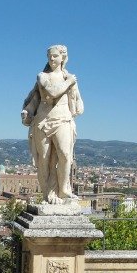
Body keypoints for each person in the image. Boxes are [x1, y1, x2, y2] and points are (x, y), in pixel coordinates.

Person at [21, 45, 83, 204]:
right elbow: (51, 93)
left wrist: (74, 89)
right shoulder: (43, 76)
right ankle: (49, 194)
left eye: (55, 56)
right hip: (43, 121)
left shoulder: (69, 78)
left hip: (63, 119)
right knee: (44, 159)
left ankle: (64, 190)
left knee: (65, 155)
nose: (51, 59)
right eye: (49, 56)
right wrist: (69, 82)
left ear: (63, 57)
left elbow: (79, 107)